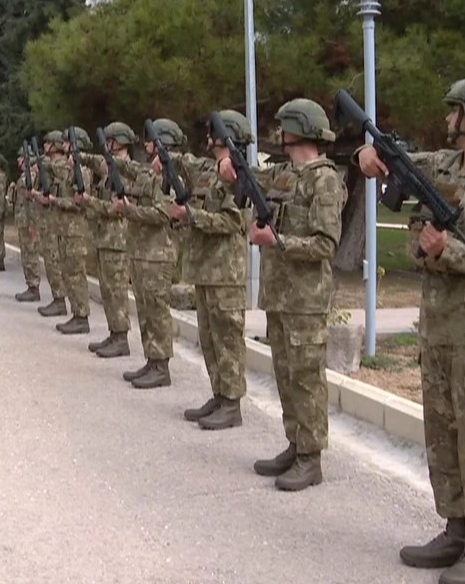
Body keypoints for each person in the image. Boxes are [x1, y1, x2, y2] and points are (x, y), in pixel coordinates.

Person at [357, 75, 465, 584]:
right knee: (442, 434)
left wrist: (446, 250)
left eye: (456, 110)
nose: (448, 118)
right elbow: (389, 161)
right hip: (438, 328)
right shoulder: (446, 164)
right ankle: (456, 529)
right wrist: (366, 156)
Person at [247, 98, 346, 491]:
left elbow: (325, 244)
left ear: (299, 129)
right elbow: (253, 180)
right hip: (280, 296)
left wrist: (278, 241)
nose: (278, 132)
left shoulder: (324, 180)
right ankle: (296, 444)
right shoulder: (286, 175)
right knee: (286, 376)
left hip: (305, 300)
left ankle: (311, 457)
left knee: (306, 380)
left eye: (284, 126)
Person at [168, 112, 250, 430]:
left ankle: (232, 404)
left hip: (225, 272)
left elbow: (232, 222)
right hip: (206, 270)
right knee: (210, 338)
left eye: (213, 132)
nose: (207, 136)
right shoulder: (211, 170)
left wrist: (191, 216)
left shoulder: (238, 174)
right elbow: (185, 161)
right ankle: (219, 394)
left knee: (228, 339)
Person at [114, 122, 179, 389]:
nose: (146, 144)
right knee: (145, 310)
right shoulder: (150, 172)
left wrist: (129, 210)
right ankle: (152, 360)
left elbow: (164, 214)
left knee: (157, 311)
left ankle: (161, 366)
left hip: (158, 255)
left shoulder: (171, 174)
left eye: (150, 139)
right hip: (143, 253)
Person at [77, 132, 131, 358]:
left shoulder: (127, 172)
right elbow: (95, 161)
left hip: (117, 240)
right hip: (105, 238)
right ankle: (114, 333)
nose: (106, 145)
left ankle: (121, 338)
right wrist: (79, 156)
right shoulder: (110, 168)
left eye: (110, 141)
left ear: (120, 142)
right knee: (107, 291)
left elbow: (117, 209)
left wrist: (90, 202)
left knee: (116, 292)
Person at [48, 128, 93, 334]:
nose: (63, 145)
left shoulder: (82, 171)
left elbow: (79, 203)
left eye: (67, 142)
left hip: (75, 231)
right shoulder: (70, 169)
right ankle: (76, 313)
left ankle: (82, 317)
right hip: (65, 230)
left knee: (76, 274)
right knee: (68, 273)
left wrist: (56, 201)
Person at [32, 132, 68, 317]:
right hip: (50, 220)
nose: (45, 146)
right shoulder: (50, 167)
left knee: (54, 262)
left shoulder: (61, 167)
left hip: (58, 223)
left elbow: (56, 195)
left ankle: (60, 300)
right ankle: (57, 298)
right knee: (50, 261)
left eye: (48, 143)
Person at [10, 144, 42, 302]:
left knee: (31, 255)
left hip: (30, 220)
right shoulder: (25, 175)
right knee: (26, 254)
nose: (18, 160)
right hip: (23, 220)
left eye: (21, 157)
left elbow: (34, 201)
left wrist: (33, 224)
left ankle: (34, 288)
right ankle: (31, 285)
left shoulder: (34, 175)